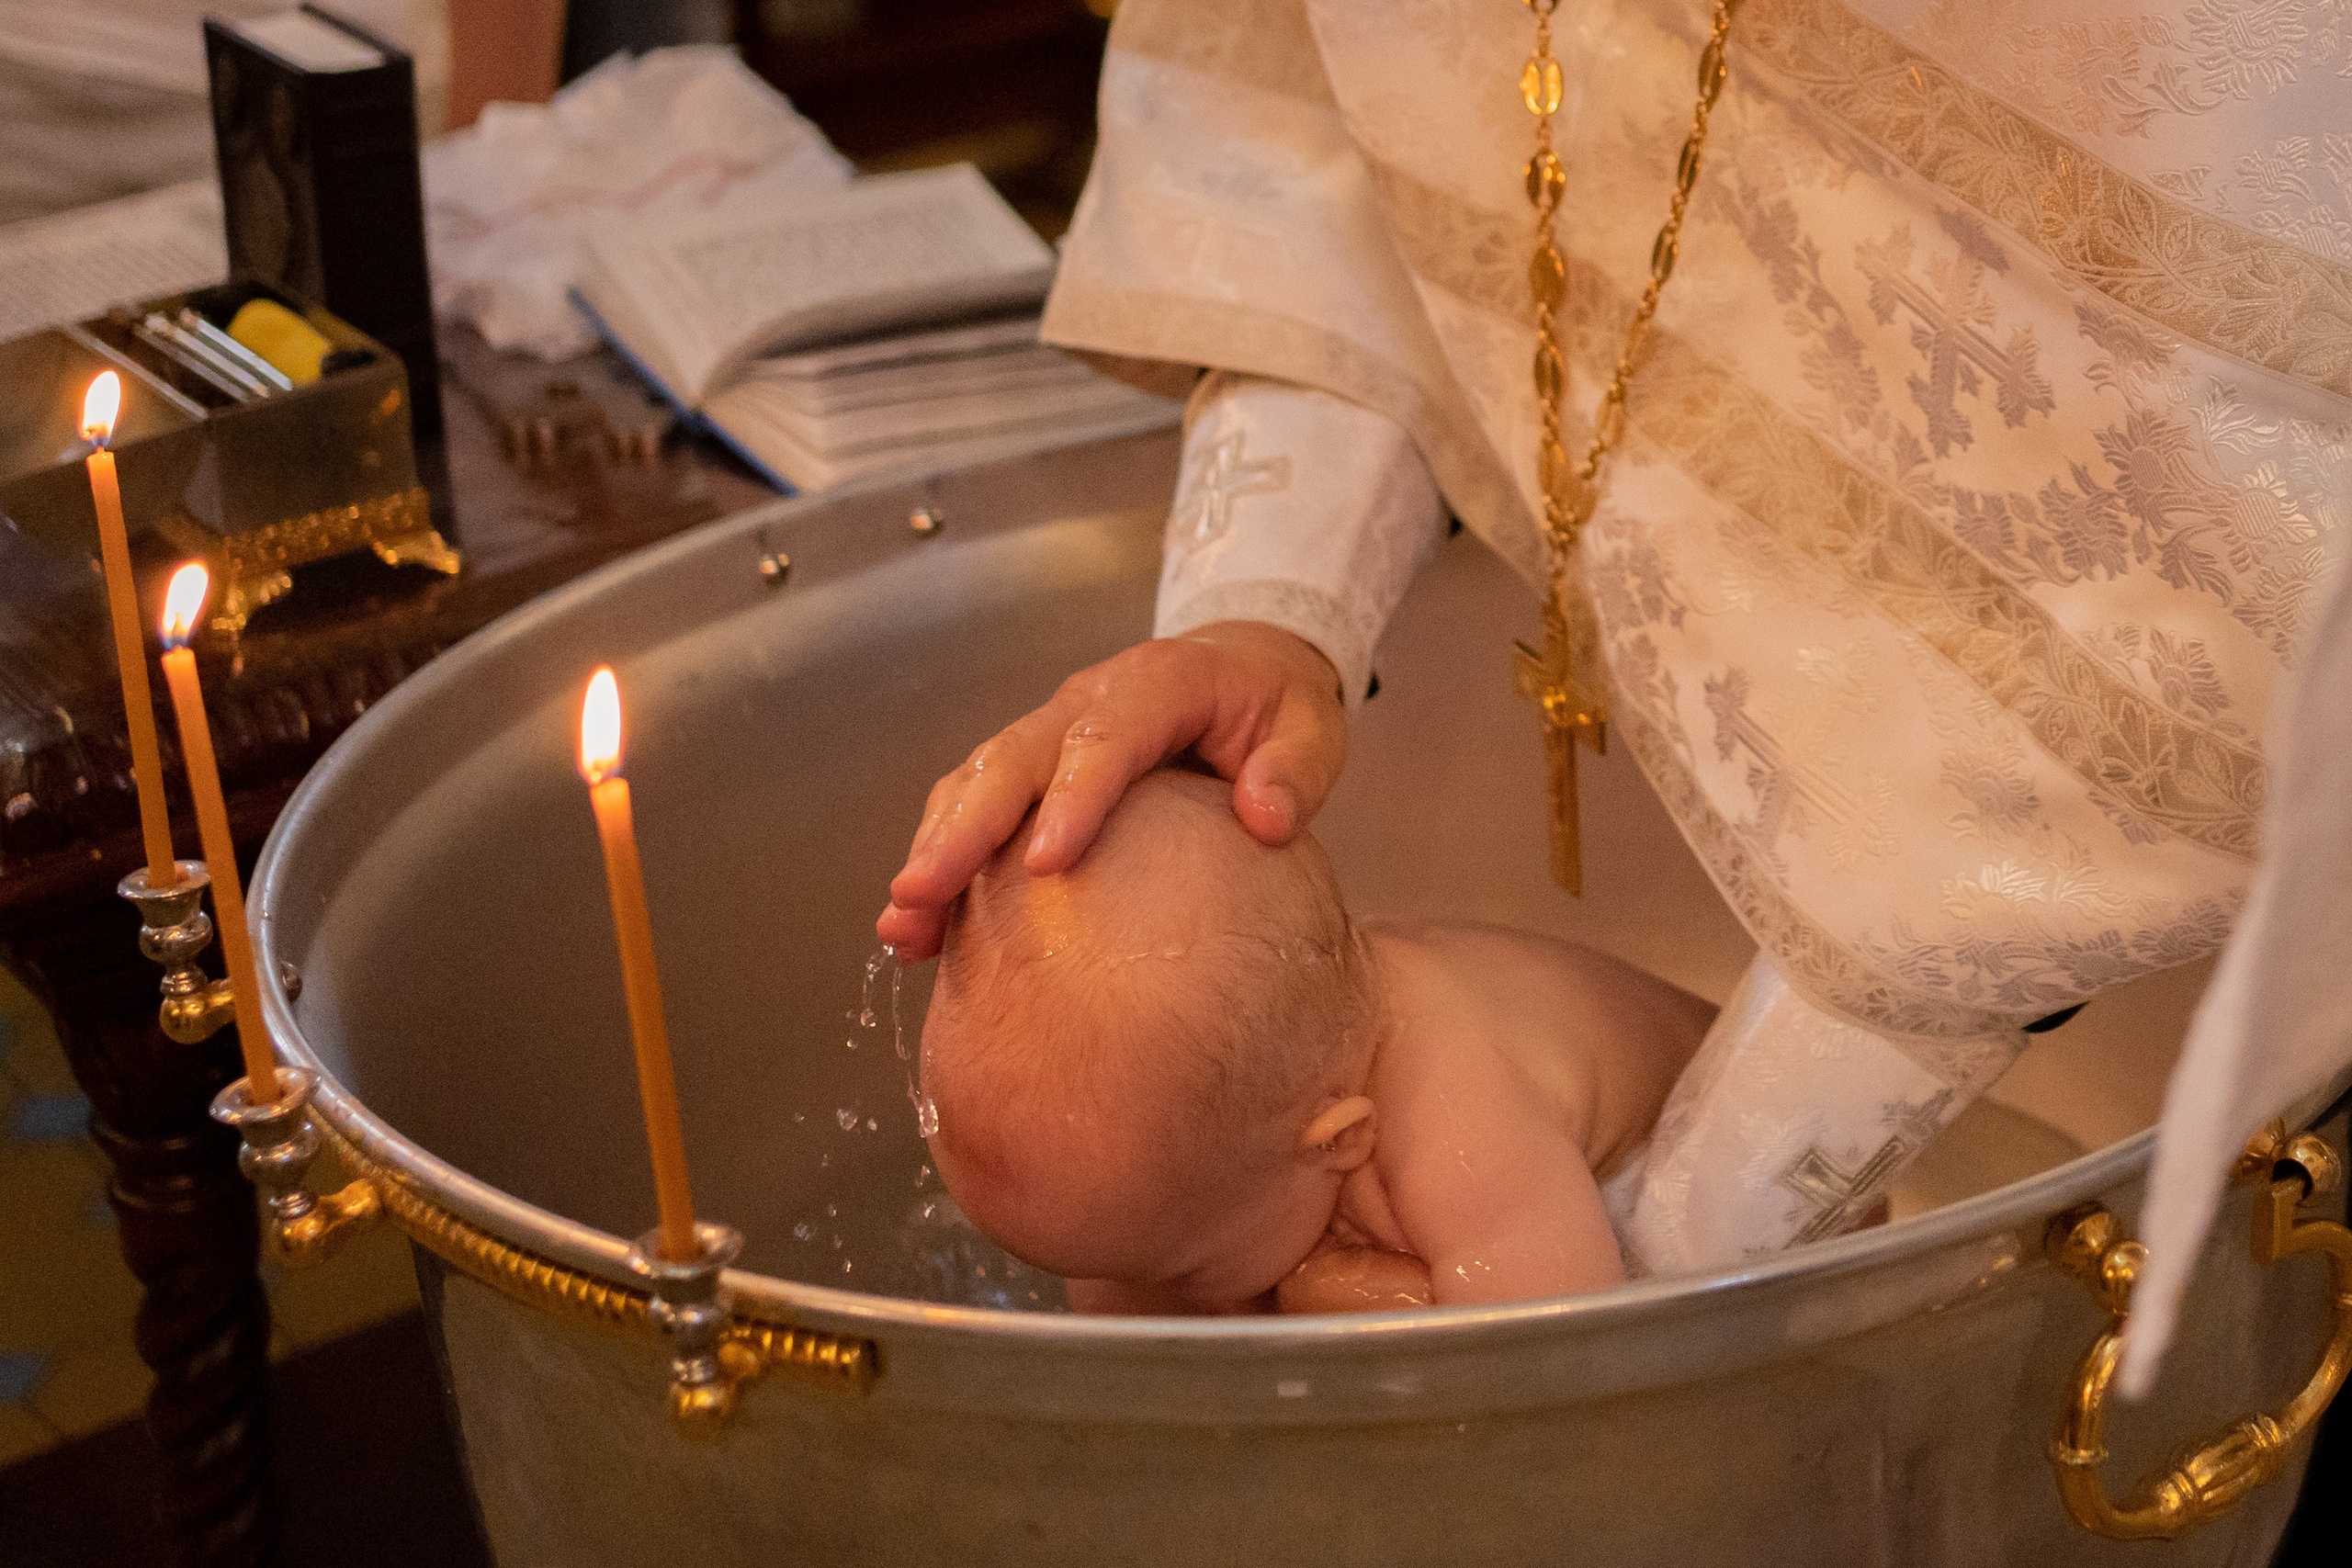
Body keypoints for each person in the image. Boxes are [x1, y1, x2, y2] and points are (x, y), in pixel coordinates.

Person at [883, 0, 2348, 1277]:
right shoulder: (1282, 1109)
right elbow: (1353, 129)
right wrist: (1265, 615)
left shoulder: (1438, 1113)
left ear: (1336, 1136)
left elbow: (2203, 521)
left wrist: (1678, 1232)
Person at [922, 768, 1715, 1314]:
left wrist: (1314, 1291)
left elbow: (1559, 1358)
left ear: (1337, 1140)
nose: (1153, 1302)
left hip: (1716, 1148)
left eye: (1186, 1273)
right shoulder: (1284, 1052)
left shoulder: (1464, 1132)